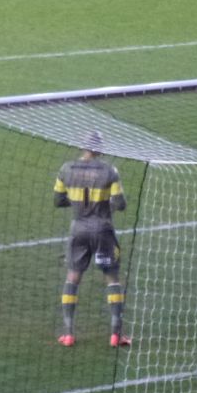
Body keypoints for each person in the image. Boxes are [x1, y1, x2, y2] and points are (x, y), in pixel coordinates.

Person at [53, 132, 128, 349]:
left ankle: (68, 334)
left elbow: (58, 200)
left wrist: (77, 203)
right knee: (112, 278)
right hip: (103, 230)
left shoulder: (66, 169)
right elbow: (120, 203)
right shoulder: (109, 171)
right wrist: (103, 203)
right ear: (100, 149)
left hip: (78, 229)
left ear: (83, 147)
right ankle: (116, 335)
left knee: (73, 277)